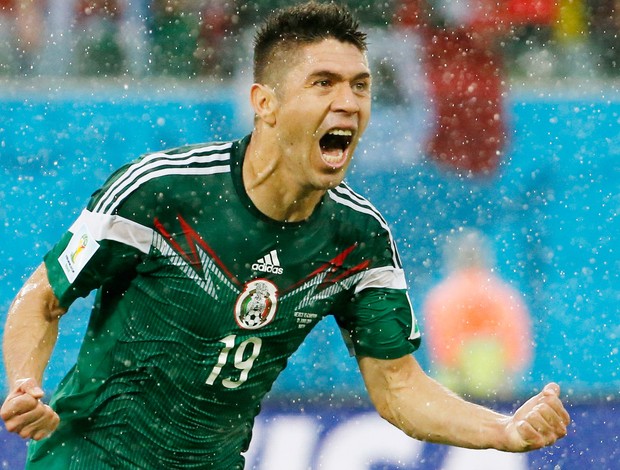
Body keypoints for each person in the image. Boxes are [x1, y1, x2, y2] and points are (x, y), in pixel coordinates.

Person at [1, 2, 570, 469]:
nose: (347, 102)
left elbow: (397, 386)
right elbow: (43, 298)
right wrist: (25, 383)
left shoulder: (358, 239)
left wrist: (504, 429)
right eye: (322, 83)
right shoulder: (161, 191)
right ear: (265, 104)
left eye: (360, 86)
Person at [423, 229, 533, 399]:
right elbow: (516, 347)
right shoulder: (503, 295)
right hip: (498, 385)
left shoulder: (442, 296)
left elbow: (441, 351)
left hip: (454, 386)